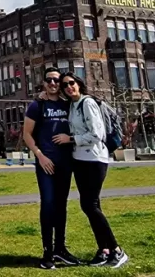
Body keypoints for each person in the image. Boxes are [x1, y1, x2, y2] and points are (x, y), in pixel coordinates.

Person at [52, 74, 128, 269]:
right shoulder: (72, 105)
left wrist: (70, 139)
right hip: (80, 160)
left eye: (72, 83)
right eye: (65, 85)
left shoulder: (87, 103)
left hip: (94, 159)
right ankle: (103, 250)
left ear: (79, 84)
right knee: (93, 206)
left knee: (89, 205)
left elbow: (97, 134)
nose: (69, 87)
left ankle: (117, 250)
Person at [23, 68, 81, 270]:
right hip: (45, 163)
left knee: (61, 205)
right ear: (44, 83)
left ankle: (60, 249)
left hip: (65, 162)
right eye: (49, 80)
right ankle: (47, 252)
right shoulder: (36, 106)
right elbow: (27, 135)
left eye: (57, 80)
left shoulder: (69, 105)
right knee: (47, 205)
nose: (53, 83)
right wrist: (40, 156)